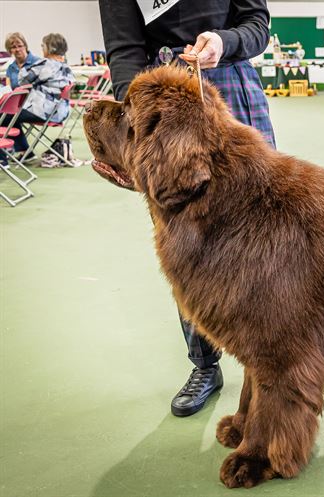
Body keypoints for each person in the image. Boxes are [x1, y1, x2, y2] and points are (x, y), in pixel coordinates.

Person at [98, 0, 276, 417]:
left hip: (231, 86)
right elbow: (124, 49)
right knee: (186, 242)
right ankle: (204, 365)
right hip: (161, 105)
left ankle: (267, 357)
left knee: (264, 234)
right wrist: (139, 123)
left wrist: (225, 40)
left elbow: (257, 25)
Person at [0, 33, 74, 162]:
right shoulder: (66, 66)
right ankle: (25, 152)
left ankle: (3, 160)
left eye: (43, 46)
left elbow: (22, 80)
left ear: (49, 48)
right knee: (11, 115)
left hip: (45, 110)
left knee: (5, 114)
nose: (42, 49)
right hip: (61, 111)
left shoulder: (45, 64)